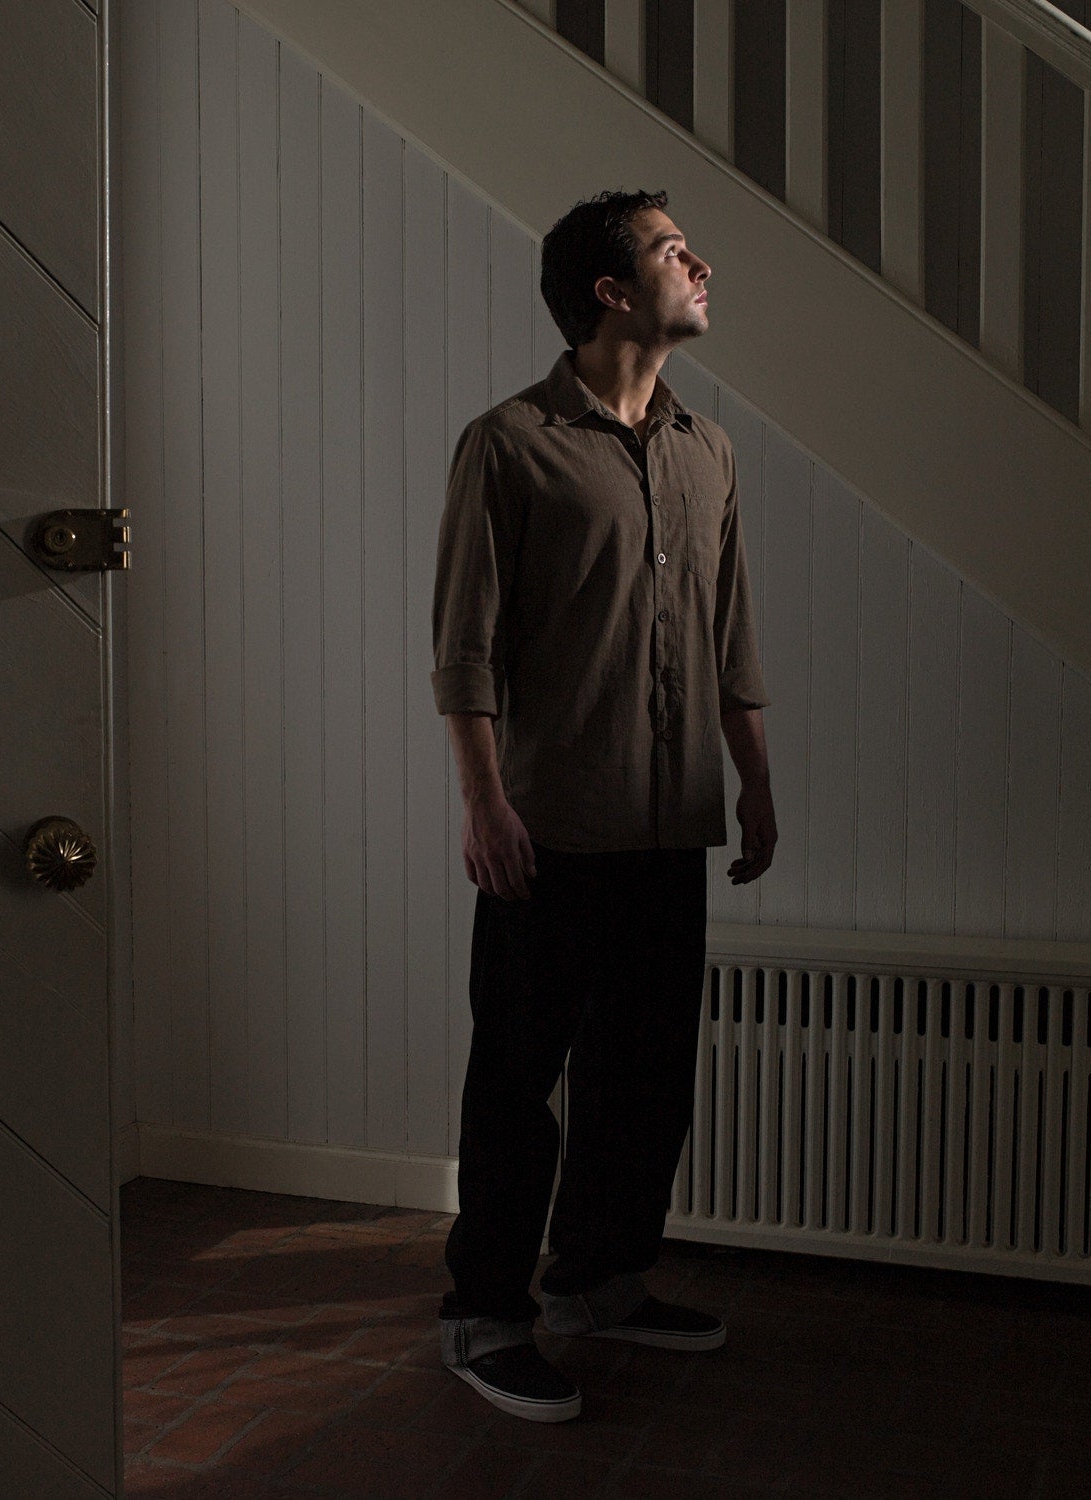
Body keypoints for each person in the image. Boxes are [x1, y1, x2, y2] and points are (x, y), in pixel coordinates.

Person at [429, 188, 777, 1422]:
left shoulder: (708, 449)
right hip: (545, 831)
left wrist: (754, 781)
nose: (701, 265)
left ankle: (599, 1280)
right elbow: (465, 650)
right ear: (609, 293)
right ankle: (483, 1316)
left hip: (668, 825)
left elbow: (729, 634)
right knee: (518, 1084)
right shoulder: (509, 443)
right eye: (672, 249)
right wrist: (483, 807)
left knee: (644, 1078)